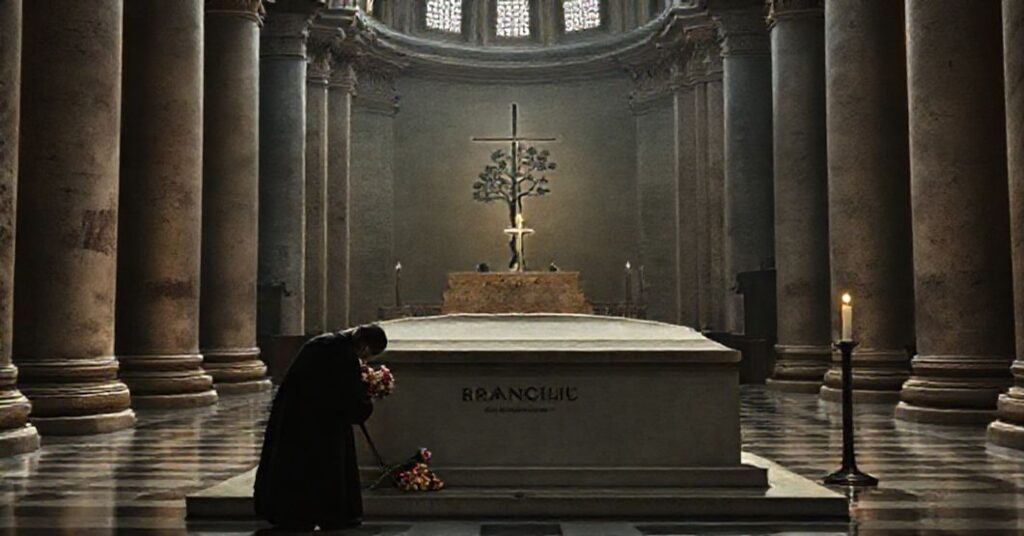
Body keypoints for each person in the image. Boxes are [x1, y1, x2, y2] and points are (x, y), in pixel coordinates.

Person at [254, 324, 389, 531]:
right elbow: (349, 397)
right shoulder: (343, 355)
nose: (364, 360)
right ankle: (328, 515)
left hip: (296, 420)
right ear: (364, 346)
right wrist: (367, 399)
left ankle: (295, 515)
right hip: (323, 425)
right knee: (324, 471)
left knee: (296, 469)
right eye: (367, 355)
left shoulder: (322, 344)